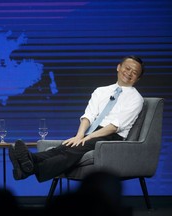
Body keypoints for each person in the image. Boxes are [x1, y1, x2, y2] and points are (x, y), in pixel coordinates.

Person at [9, 55, 145, 182]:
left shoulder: (136, 99)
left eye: (134, 72)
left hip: (112, 137)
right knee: (63, 147)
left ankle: (31, 167)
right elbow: (89, 116)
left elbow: (115, 126)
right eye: (127, 68)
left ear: (137, 79)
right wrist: (80, 135)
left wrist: (88, 138)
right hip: (92, 132)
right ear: (118, 67)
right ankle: (27, 164)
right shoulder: (101, 91)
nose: (129, 73)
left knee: (74, 150)